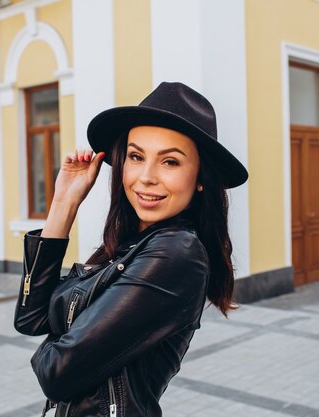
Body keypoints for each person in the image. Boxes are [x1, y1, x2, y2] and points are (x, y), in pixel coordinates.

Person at [14, 82, 248, 417]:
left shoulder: (176, 254)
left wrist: (65, 337)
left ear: (200, 177)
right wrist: (64, 202)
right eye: (136, 157)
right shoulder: (128, 247)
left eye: (170, 162)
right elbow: (30, 318)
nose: (146, 177)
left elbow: (56, 374)